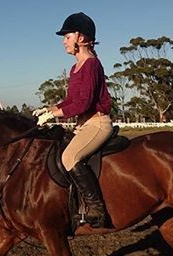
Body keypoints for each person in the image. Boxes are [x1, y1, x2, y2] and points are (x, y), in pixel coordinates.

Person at [33, 12, 113, 228]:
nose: (63, 42)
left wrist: (54, 115)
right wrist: (48, 109)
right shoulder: (75, 68)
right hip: (83, 125)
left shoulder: (91, 64)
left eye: (67, 37)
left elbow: (83, 104)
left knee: (70, 157)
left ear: (80, 37)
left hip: (97, 123)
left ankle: (96, 209)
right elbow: (70, 100)